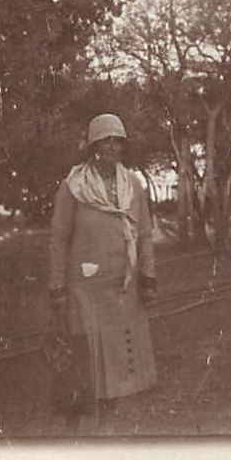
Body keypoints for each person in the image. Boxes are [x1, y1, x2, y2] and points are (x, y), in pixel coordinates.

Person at [47, 113, 159, 425]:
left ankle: (106, 429)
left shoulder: (132, 185)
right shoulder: (73, 186)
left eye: (117, 141)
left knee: (115, 365)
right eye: (105, 140)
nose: (112, 147)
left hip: (121, 290)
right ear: (93, 145)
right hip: (84, 290)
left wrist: (148, 278)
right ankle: (73, 431)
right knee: (82, 361)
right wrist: (56, 287)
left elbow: (145, 234)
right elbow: (58, 239)